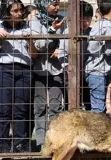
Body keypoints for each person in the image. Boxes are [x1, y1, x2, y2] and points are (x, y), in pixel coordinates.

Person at [0, 0, 36, 153]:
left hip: (24, 69)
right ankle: (2, 145)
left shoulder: (26, 27)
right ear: (7, 12)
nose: (19, 13)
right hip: (3, 68)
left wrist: (29, 40)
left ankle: (20, 144)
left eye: (20, 10)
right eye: (15, 11)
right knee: (3, 108)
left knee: (21, 109)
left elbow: (33, 55)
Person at [31, 0, 67, 148]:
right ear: (44, 4)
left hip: (56, 68)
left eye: (58, 4)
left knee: (55, 106)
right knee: (39, 107)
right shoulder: (35, 21)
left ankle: (54, 141)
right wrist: (52, 30)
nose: (57, 8)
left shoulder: (62, 19)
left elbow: (67, 38)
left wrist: (60, 48)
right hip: (39, 68)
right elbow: (39, 45)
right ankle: (41, 142)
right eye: (54, 4)